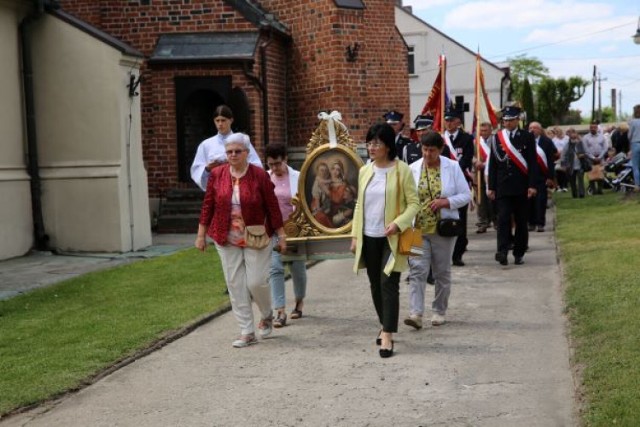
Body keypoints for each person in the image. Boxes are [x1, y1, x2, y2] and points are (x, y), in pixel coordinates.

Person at [196, 133, 287, 348]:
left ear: (247, 152)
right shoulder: (217, 175)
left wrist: (281, 235)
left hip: (256, 236)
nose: (233, 155)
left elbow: (272, 206)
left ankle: (266, 314)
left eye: (238, 151)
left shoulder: (259, 175)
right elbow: (208, 205)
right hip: (225, 236)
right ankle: (247, 330)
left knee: (255, 282)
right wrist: (201, 235)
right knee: (235, 284)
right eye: (229, 152)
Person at [350, 123, 420, 358]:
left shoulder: (403, 170)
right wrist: (354, 235)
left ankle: (388, 334)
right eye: (369, 142)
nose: (371, 147)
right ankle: (384, 323)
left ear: (388, 146)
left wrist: (398, 223)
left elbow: (414, 204)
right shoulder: (365, 171)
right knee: (374, 284)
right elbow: (359, 203)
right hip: (368, 236)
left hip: (393, 237)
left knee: (388, 284)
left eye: (376, 143)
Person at [403, 131, 471, 330]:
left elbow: (465, 195)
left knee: (442, 271)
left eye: (432, 151)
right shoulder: (412, 168)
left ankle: (439, 310)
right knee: (417, 271)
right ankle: (416, 313)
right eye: (424, 150)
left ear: (440, 150)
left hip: (443, 229)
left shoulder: (452, 166)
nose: (427, 154)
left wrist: (446, 202)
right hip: (416, 229)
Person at [487, 106, 538, 266]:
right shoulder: (498, 138)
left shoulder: (527, 137)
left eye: (510, 120)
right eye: (505, 120)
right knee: (502, 220)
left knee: (521, 221)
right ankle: (502, 251)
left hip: (521, 186)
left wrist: (532, 185)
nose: (507, 123)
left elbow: (532, 163)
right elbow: (493, 164)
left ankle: (519, 252)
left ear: (518, 120)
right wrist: (491, 187)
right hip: (503, 186)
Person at [265, 144, 307, 328]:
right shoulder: (265, 178)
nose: (275, 168)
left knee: (297, 268)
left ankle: (299, 302)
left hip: (294, 229)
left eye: (278, 163)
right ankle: (279, 311)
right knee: (275, 268)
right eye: (271, 164)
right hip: (274, 230)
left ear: (286, 160)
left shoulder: (298, 177)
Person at [190, 105, 262, 191]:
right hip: (216, 189)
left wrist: (237, 163)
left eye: (223, 120)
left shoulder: (242, 140)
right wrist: (208, 168)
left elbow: (257, 165)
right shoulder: (206, 145)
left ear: (231, 120)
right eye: (217, 121)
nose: (220, 124)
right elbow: (197, 170)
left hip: (241, 187)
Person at [443, 109, 473, 267]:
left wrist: (454, 172)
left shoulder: (467, 138)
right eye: (446, 120)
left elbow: (467, 159)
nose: (448, 123)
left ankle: (458, 254)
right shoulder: (441, 139)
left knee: (460, 220)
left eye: (451, 120)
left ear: (458, 122)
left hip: (460, 183)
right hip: (445, 185)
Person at [527, 122, 557, 232]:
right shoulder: (525, 141)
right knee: (529, 201)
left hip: (542, 176)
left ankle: (540, 223)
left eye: (535, 128)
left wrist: (550, 177)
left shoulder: (547, 142)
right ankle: (531, 223)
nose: (532, 130)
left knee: (540, 201)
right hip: (528, 176)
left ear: (540, 130)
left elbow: (550, 160)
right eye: (530, 128)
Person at [312, 159, 356, 228]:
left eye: (338, 170)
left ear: (341, 172)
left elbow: (337, 199)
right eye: (333, 169)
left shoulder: (342, 184)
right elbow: (317, 194)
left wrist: (325, 189)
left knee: (321, 217)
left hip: (334, 211)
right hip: (322, 207)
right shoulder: (325, 178)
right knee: (317, 215)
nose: (335, 172)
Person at [474, 122, 496, 233]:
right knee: (480, 198)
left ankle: (496, 221)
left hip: (492, 173)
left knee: (493, 197)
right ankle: (483, 222)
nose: (483, 133)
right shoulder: (476, 142)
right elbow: (470, 155)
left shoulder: (496, 140)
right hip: (479, 173)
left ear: (490, 130)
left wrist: (486, 164)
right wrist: (475, 161)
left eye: (485, 130)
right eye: (481, 131)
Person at [582, 121, 608, 195]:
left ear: (597, 128)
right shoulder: (585, 137)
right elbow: (585, 149)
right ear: (589, 128)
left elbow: (605, 148)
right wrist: (593, 157)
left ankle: (600, 190)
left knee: (601, 174)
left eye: (594, 127)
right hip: (590, 159)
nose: (593, 129)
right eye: (591, 127)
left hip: (600, 158)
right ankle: (593, 190)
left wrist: (600, 157)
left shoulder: (602, 136)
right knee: (591, 175)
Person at [561, 128, 587, 199]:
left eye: (573, 133)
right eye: (570, 133)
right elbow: (563, 155)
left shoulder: (581, 143)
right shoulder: (567, 145)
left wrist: (583, 155)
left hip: (580, 164)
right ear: (569, 135)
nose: (573, 135)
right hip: (570, 166)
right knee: (572, 181)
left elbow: (587, 151)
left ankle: (581, 194)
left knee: (580, 180)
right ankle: (574, 194)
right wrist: (563, 165)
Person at [552, 127, 569, 192]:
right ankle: (559, 186)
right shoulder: (554, 139)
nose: (557, 133)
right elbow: (553, 148)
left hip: (565, 156)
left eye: (558, 131)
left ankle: (564, 186)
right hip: (557, 157)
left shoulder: (567, 138)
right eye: (555, 132)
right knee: (557, 171)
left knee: (564, 171)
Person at [628, 104, 640, 189]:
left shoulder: (632, 122)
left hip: (635, 143)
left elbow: (629, 135)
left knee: (635, 165)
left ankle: (637, 184)